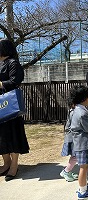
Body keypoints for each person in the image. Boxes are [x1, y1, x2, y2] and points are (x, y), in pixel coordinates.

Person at [0, 39, 29, 182]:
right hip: (0, 106)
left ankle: (14, 165)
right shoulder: (1, 63)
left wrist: (0, 83)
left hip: (10, 106)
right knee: (1, 136)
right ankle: (6, 163)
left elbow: (15, 82)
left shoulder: (13, 63)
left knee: (12, 134)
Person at [69, 85, 88, 199]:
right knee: (84, 167)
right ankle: (82, 191)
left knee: (84, 167)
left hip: (81, 143)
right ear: (84, 98)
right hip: (83, 144)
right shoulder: (81, 113)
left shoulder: (78, 109)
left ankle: (84, 186)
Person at [59, 99, 78, 182]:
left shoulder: (72, 111)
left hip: (72, 137)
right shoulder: (74, 112)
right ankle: (66, 171)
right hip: (73, 138)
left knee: (75, 156)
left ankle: (67, 171)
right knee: (75, 156)